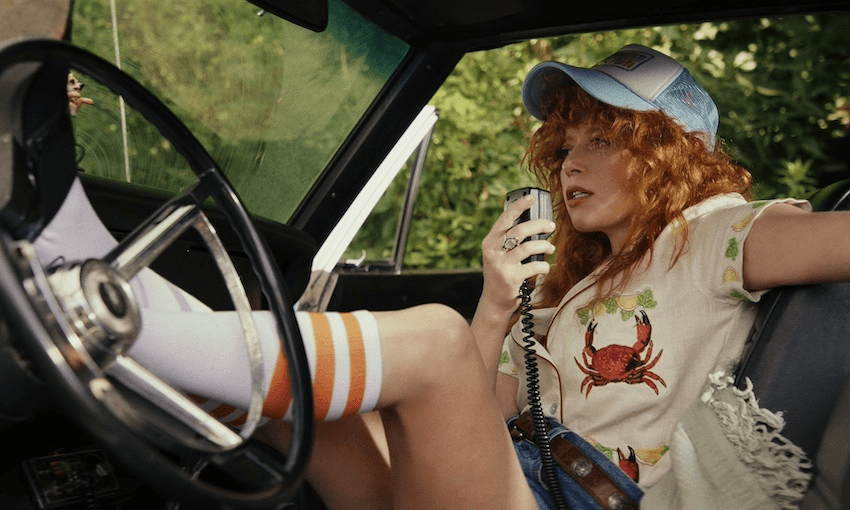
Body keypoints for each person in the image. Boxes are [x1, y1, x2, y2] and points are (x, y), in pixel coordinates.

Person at [29, 44, 850, 509]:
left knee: (430, 338)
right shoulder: (572, 290)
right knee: (313, 413)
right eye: (566, 144)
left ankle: (125, 321)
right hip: (512, 476)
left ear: (675, 153)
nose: (570, 162)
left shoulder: (717, 234)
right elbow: (480, 413)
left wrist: (461, 338)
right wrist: (496, 304)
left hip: (578, 501)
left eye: (605, 138)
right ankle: (128, 321)